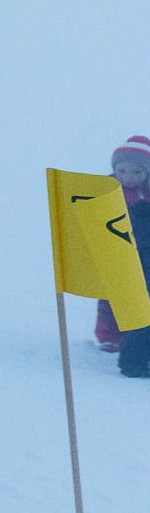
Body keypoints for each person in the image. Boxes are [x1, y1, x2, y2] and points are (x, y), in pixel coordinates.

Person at [94, 136, 150, 377]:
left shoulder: (146, 195)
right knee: (109, 299)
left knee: (139, 300)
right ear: (114, 169)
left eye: (136, 171)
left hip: (143, 257)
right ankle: (109, 337)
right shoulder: (107, 190)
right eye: (122, 170)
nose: (128, 176)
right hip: (113, 254)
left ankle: (133, 340)